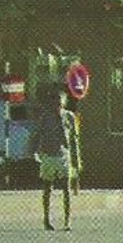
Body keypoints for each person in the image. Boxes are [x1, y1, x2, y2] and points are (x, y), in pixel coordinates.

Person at [32, 88, 80, 231]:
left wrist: (76, 161)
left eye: (60, 102)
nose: (57, 105)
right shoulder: (45, 117)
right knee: (47, 188)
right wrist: (35, 151)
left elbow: (74, 139)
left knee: (66, 188)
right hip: (48, 155)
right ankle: (46, 219)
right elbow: (37, 135)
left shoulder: (69, 117)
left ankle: (67, 220)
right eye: (55, 102)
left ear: (64, 103)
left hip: (63, 156)